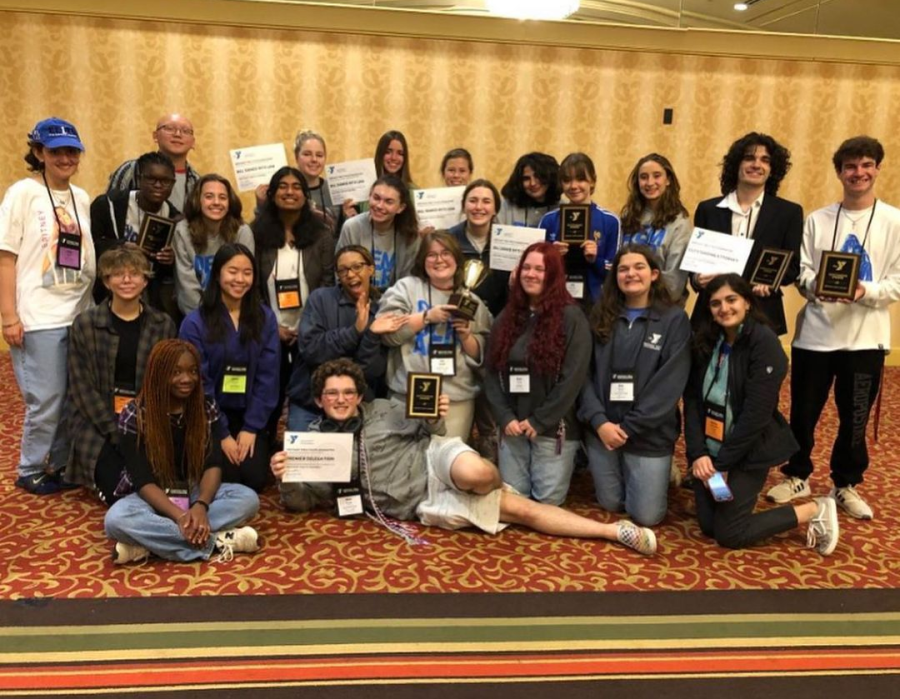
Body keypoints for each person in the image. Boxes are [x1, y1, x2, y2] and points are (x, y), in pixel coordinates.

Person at [270, 358, 657, 556]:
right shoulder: (312, 444)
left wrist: (434, 413)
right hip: (421, 503)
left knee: (475, 472)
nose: (341, 400)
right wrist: (286, 476)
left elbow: (432, 432)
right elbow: (303, 503)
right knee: (519, 510)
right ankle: (613, 532)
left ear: (358, 395)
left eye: (348, 392)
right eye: (332, 394)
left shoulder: (386, 409)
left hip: (434, 460)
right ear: (319, 399)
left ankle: (488, 478)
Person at [766, 136, 900, 520]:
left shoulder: (894, 221)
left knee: (854, 417)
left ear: (877, 168)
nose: (858, 173)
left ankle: (845, 483)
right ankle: (798, 474)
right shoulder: (818, 219)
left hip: (866, 339)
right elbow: (803, 272)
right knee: (804, 413)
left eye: (866, 165)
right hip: (815, 337)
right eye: (850, 167)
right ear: (839, 172)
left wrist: (864, 290)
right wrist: (817, 287)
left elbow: (898, 280)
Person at [684, 274, 839, 554]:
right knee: (709, 524)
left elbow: (755, 416)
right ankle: (729, 499)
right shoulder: (707, 340)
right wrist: (697, 454)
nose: (724, 308)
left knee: (730, 534)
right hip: (711, 446)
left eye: (732, 300)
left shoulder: (764, 343)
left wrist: (722, 464)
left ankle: (815, 509)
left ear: (747, 302)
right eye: (715, 303)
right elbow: (693, 399)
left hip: (747, 450)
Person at [0, 117, 96, 494]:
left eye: (72, 151)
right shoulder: (23, 193)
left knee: (72, 397)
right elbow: (5, 257)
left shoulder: (82, 197)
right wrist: (9, 316)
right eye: (56, 151)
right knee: (47, 399)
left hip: (79, 313)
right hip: (38, 316)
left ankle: (57, 464)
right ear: (39, 153)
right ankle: (29, 468)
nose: (65, 158)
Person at [103, 339, 260, 564]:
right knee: (116, 520)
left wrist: (201, 506)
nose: (186, 379)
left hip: (193, 490)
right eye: (176, 372)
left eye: (192, 371)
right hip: (151, 495)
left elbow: (213, 464)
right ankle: (215, 542)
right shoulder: (134, 414)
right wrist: (180, 516)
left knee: (248, 499)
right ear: (159, 374)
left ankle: (149, 545)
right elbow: (142, 479)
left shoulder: (205, 407)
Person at [578, 245, 691, 526]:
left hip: (647, 434)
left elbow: (668, 385)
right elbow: (582, 375)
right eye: (623, 269)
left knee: (646, 516)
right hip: (602, 431)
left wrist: (629, 428)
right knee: (612, 503)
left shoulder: (674, 320)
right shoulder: (599, 315)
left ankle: (661, 469)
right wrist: (599, 422)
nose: (631, 274)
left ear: (654, 274)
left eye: (639, 267)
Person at [66, 245, 177, 504]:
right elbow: (82, 390)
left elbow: (164, 385)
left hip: (146, 424)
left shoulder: (163, 325)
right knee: (122, 491)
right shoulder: (85, 324)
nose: (127, 280)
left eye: (135, 273)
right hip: (96, 425)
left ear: (146, 279)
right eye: (118, 274)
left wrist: (142, 429)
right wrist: (117, 433)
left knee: (165, 486)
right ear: (106, 281)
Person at [484, 242, 590, 505]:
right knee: (515, 497)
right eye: (526, 267)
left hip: (553, 428)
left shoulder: (571, 317)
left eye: (539, 269)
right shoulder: (507, 317)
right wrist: (504, 416)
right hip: (512, 426)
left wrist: (540, 421)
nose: (530, 274)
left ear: (553, 275)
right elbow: (490, 372)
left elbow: (572, 379)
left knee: (546, 502)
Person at [179, 244, 280, 493]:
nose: (240, 279)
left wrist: (251, 428)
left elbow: (269, 376)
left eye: (247, 272)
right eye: (232, 271)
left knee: (253, 477)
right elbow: (198, 383)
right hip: (209, 416)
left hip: (249, 415)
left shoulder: (264, 317)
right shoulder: (194, 322)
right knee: (228, 476)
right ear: (217, 274)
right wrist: (222, 433)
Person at [374, 231, 491, 440]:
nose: (439, 260)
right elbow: (388, 337)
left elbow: (482, 355)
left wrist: (466, 336)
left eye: (445, 253)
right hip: (406, 395)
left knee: (448, 467)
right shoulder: (405, 289)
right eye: (431, 254)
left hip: (456, 401)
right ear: (422, 260)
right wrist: (426, 317)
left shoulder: (471, 300)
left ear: (456, 258)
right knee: (405, 466)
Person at [252, 167, 335, 440]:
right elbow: (249, 285)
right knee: (268, 394)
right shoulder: (255, 235)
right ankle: (265, 448)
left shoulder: (322, 235)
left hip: (309, 332)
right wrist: (270, 326)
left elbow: (326, 282)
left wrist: (308, 327)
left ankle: (302, 450)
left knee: (306, 393)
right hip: (267, 330)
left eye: (297, 186)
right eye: (283, 186)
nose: (290, 192)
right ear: (272, 194)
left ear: (305, 193)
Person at [691, 133, 803, 335]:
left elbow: (793, 266)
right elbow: (696, 265)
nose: (756, 165)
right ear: (736, 164)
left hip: (763, 313)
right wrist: (697, 279)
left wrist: (771, 282)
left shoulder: (789, 213)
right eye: (749, 158)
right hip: (712, 314)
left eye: (765, 160)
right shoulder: (708, 209)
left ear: (772, 169)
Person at [286, 245, 389, 431]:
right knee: (301, 460)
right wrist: (355, 331)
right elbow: (311, 349)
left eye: (357, 267)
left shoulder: (383, 308)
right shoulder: (320, 299)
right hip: (309, 404)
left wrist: (371, 334)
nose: (350, 275)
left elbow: (372, 370)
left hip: (355, 409)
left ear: (371, 269)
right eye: (343, 270)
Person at [90, 151, 180, 312]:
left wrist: (170, 259)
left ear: (173, 183)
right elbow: (91, 247)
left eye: (165, 181)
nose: (158, 185)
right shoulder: (107, 205)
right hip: (108, 294)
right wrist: (121, 246)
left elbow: (169, 272)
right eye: (152, 179)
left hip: (150, 298)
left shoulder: (175, 217)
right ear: (139, 178)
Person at [539, 152, 620, 305]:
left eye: (581, 179)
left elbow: (615, 271)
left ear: (593, 182)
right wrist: (552, 257)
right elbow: (536, 268)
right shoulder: (549, 220)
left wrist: (595, 259)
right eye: (567, 180)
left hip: (596, 303)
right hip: (555, 302)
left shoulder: (610, 220)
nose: (574, 186)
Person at [173, 173, 254, 316]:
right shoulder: (183, 231)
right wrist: (203, 321)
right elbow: (186, 287)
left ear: (230, 203)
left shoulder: (242, 232)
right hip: (196, 315)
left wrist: (232, 318)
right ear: (198, 201)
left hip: (235, 313)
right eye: (209, 196)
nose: (216, 202)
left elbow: (246, 279)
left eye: (222, 197)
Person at [619, 153, 691, 303]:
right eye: (644, 177)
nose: (650, 182)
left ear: (668, 180)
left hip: (663, 308)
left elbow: (674, 280)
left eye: (657, 176)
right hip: (626, 305)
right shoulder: (628, 216)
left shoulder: (680, 222)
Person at [336, 175, 420, 292]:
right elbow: (341, 273)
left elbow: (409, 282)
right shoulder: (352, 227)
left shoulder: (410, 235)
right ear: (369, 197)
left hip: (396, 300)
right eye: (376, 198)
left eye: (388, 202)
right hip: (355, 296)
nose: (380, 206)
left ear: (401, 207)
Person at [107, 113, 199, 212]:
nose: (177, 134)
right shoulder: (132, 169)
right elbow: (109, 208)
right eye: (169, 128)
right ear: (155, 136)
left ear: (193, 142)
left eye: (185, 131)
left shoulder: (197, 181)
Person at [255, 130, 341, 233]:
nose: (314, 159)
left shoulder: (336, 189)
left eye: (319, 155)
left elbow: (340, 233)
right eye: (307, 154)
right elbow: (263, 230)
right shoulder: (281, 191)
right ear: (296, 157)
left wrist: (347, 216)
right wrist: (261, 205)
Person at [447, 179, 509, 317]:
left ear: (495, 210)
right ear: (463, 207)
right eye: (473, 201)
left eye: (486, 202)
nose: (479, 207)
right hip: (457, 318)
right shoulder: (448, 240)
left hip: (499, 318)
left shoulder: (508, 241)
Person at [497, 152, 561, 228]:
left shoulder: (561, 209)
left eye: (538, 176)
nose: (533, 183)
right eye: (526, 178)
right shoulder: (505, 206)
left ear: (550, 177)